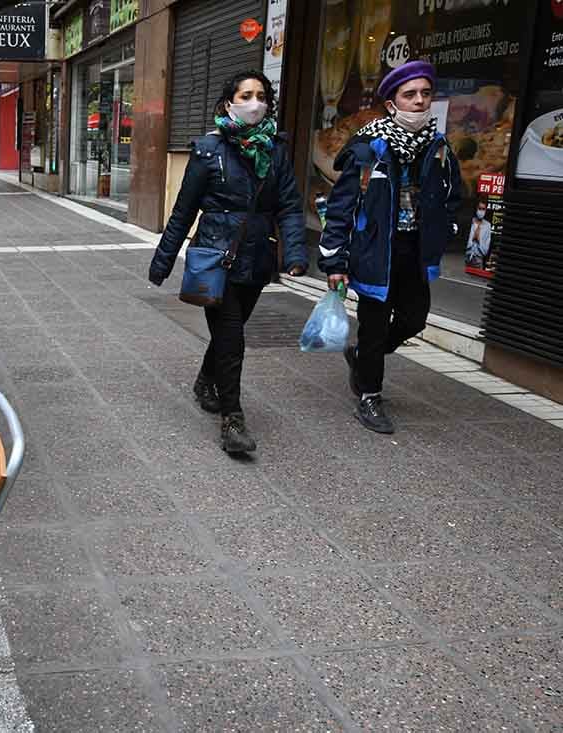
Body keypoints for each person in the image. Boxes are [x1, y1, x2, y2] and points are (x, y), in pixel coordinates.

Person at [149, 71, 308, 454]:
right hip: (216, 259)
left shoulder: (276, 151)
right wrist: (163, 262)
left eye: (261, 95)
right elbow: (183, 211)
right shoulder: (208, 151)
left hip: (256, 258)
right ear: (229, 103)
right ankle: (232, 420)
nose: (255, 103)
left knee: (227, 335)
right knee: (233, 338)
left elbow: (288, 206)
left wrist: (297, 253)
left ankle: (206, 379)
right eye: (246, 95)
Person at [320, 60, 462, 434]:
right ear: (391, 103)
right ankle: (369, 395)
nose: (419, 101)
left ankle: (363, 358)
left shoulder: (438, 145)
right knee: (374, 324)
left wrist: (444, 227)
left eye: (425, 94)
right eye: (409, 94)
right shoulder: (367, 148)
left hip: (416, 250)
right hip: (374, 251)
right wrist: (335, 258)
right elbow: (341, 206)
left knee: (414, 318)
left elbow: (452, 195)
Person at [465, 199, 492, 268]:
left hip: (478, 260)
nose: (481, 211)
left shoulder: (487, 226)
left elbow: (485, 250)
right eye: (479, 208)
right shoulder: (470, 221)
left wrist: (479, 240)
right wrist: (472, 238)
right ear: (476, 208)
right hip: (466, 257)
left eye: (483, 209)